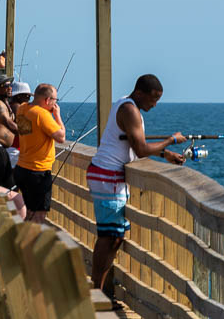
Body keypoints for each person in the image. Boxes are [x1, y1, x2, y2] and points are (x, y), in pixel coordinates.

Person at [88, 74, 186, 296]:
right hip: (108, 177)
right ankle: (97, 292)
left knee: (114, 237)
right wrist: (171, 140)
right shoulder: (130, 110)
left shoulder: (126, 104)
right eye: (153, 99)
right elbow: (141, 149)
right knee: (109, 237)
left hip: (107, 176)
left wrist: (165, 153)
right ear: (139, 93)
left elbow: (134, 145)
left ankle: (100, 291)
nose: (154, 105)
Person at [14, 83, 66, 223]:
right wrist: (57, 115)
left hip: (22, 168)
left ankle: (23, 242)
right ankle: (33, 243)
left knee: (28, 212)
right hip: (38, 172)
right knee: (38, 215)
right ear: (47, 100)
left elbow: (31, 130)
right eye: (55, 100)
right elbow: (61, 137)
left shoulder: (22, 109)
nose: (56, 104)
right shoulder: (42, 115)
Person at [7, 81, 32, 166]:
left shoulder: (10, 106)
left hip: (12, 148)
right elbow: (24, 129)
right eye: (27, 96)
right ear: (18, 96)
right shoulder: (16, 107)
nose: (29, 99)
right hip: (14, 149)